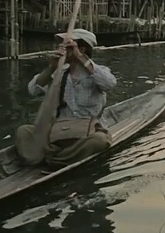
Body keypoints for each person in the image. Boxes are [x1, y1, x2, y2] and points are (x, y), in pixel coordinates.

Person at [15, 28, 117, 170]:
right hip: (58, 135)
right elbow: (33, 90)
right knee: (24, 131)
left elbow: (110, 84)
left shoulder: (97, 72)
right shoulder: (60, 73)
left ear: (81, 49)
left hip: (86, 135)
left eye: (67, 46)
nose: (61, 49)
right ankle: (60, 157)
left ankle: (52, 159)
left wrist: (80, 57)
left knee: (99, 141)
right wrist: (51, 67)